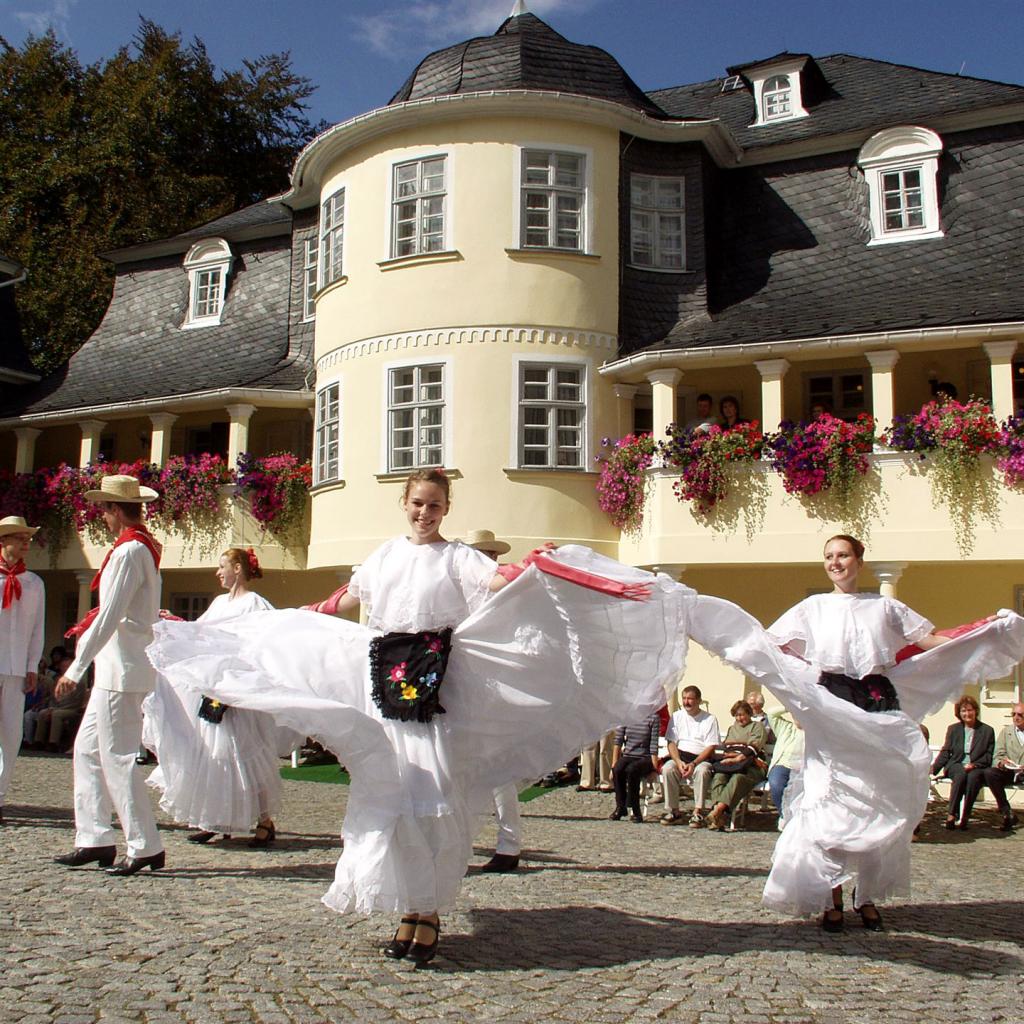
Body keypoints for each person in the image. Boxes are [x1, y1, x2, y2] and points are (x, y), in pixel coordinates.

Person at [149, 469, 696, 966]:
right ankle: (409, 907)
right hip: (384, 684)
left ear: (445, 508)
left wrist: (536, 566)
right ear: (404, 504)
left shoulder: (458, 557)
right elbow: (347, 597)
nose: (424, 513)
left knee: (429, 798)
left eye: (434, 505)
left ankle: (428, 910)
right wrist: (295, 619)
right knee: (389, 795)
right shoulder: (385, 555)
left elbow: (500, 582)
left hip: (436, 691)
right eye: (417, 503)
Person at [759, 534, 1003, 933]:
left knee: (876, 802)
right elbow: (773, 652)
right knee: (826, 801)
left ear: (859, 560)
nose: (835, 562)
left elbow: (929, 641)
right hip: (832, 710)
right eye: (829, 556)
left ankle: (866, 896)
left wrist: (981, 632)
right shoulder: (811, 608)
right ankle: (832, 899)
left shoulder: (884, 606)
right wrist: (799, 701)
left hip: (876, 707)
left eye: (843, 555)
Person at [53, 475, 164, 875]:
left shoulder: (130, 551)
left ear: (116, 510)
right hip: (115, 669)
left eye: (105, 509)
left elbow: (109, 615)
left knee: (117, 757)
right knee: (86, 751)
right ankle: (94, 837)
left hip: (122, 669)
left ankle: (145, 844)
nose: (102, 515)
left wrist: (76, 666)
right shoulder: (134, 548)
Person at [143, 547, 289, 847]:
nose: (218, 572)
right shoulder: (220, 603)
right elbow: (201, 632)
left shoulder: (254, 603)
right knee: (213, 754)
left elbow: (263, 643)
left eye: (223, 566)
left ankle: (264, 820)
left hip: (239, 692)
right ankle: (215, 817)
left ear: (238, 568)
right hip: (214, 689)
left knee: (246, 754)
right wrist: (176, 624)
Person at [464, 528, 521, 873]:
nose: (488, 559)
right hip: (460, 682)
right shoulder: (464, 587)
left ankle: (509, 844)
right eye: (482, 553)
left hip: (490, 687)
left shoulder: (503, 593)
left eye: (490, 554)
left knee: (498, 768)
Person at [0, 515, 45, 824]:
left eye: (27, 538)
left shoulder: (34, 583)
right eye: (19, 537)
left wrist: (32, 665)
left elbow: (37, 629)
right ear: (3, 542)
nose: (25, 542)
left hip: (16, 668)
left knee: (11, 734)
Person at [685, 700, 768, 831]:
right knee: (719, 777)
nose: (739, 718)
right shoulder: (732, 729)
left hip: (751, 766)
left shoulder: (757, 727)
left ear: (749, 714)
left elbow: (753, 749)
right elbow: (726, 749)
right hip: (730, 765)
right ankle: (719, 816)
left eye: (742, 714)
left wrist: (735, 758)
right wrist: (728, 757)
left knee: (738, 778)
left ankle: (717, 811)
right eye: (737, 715)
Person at [931, 695, 994, 830]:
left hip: (976, 766)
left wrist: (974, 765)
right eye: (963, 711)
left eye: (970, 710)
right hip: (956, 764)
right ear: (959, 713)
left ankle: (965, 815)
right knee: (960, 774)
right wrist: (933, 768)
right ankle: (951, 814)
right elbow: (946, 751)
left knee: (973, 778)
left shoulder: (987, 731)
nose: (967, 714)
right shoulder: (953, 729)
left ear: (975, 711)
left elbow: (988, 756)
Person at [659, 685, 720, 827]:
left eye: (690, 699)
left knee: (702, 771)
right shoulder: (677, 716)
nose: (686, 702)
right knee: (668, 769)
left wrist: (694, 763)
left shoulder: (709, 719)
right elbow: (671, 742)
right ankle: (674, 811)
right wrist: (678, 761)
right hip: (681, 757)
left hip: (701, 758)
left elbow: (711, 746)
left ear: (698, 700)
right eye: (684, 698)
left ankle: (698, 812)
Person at [608, 712, 660, 823]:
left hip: (645, 757)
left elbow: (653, 744)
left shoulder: (653, 718)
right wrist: (613, 764)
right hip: (629, 755)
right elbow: (618, 741)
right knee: (618, 769)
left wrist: (654, 768)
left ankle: (636, 810)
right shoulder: (626, 715)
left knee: (632, 770)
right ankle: (620, 807)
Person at [982, 703, 1024, 831]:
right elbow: (998, 755)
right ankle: (1007, 813)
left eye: (1020, 715)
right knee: (990, 773)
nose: (1016, 717)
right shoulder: (1006, 732)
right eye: (1013, 714)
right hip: (1010, 771)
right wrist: (1002, 763)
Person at [765, 706, 803, 828]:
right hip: (781, 764)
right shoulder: (785, 727)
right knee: (776, 784)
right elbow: (771, 713)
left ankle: (795, 818)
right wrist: (789, 706)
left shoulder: (812, 732)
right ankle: (785, 816)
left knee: (797, 790)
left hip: (801, 767)